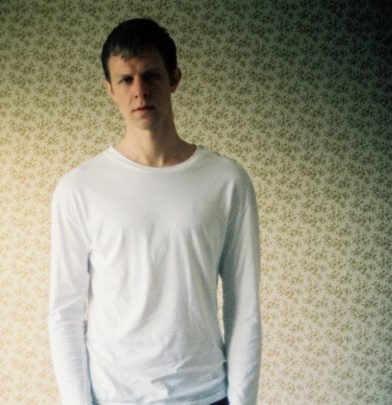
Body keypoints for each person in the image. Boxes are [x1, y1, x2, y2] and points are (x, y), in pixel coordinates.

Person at [48, 18, 261, 405]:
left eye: (151, 75)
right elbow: (64, 312)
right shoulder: (79, 188)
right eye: (126, 80)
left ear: (174, 78)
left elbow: (243, 306)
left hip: (204, 394)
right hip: (113, 396)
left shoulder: (226, 181)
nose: (139, 90)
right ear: (109, 89)